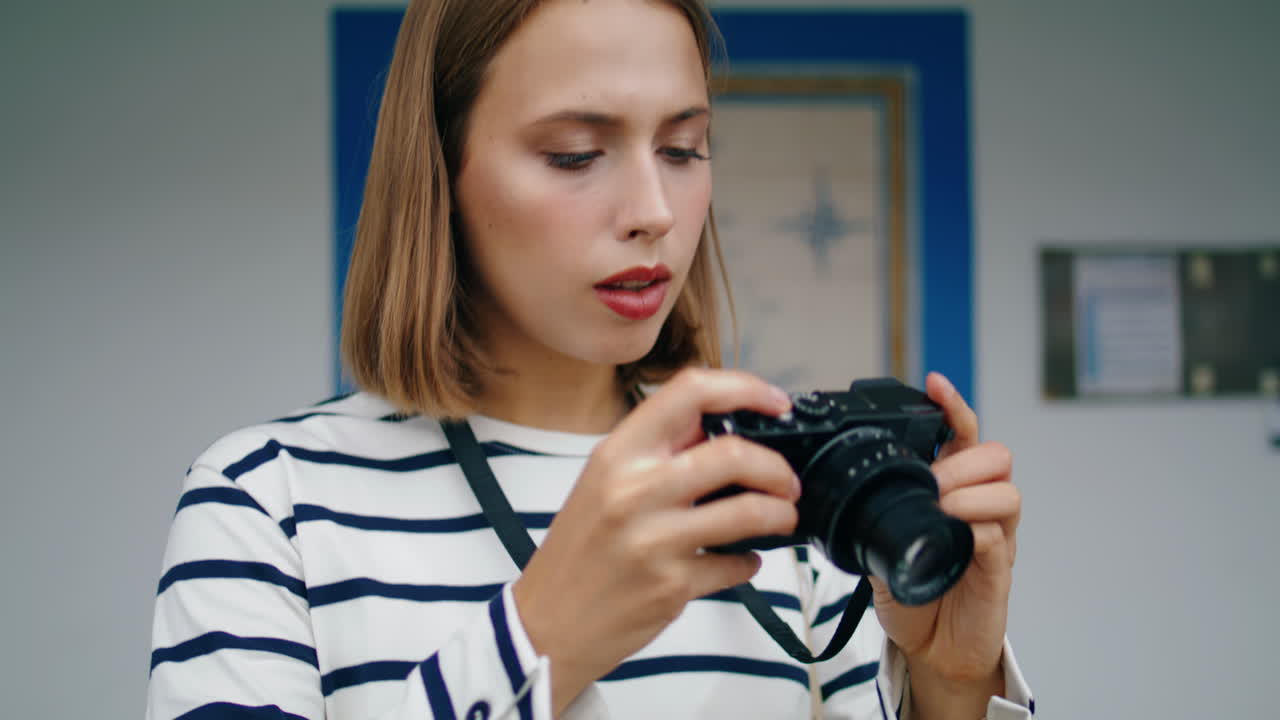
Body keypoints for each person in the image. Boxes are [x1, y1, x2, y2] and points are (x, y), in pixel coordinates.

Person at [146, 0, 1033, 718]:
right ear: (440, 171)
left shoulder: (770, 489)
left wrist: (952, 690)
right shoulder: (267, 500)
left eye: (685, 149)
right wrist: (541, 640)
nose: (654, 209)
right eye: (576, 154)